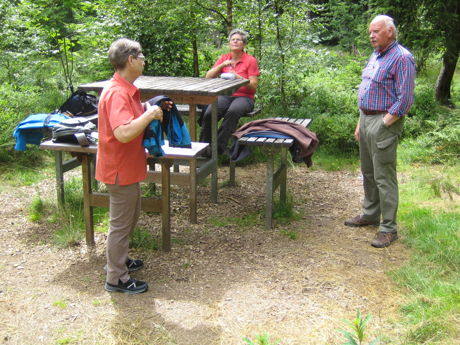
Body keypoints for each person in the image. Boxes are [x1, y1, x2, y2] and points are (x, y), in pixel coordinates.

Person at [96, 38, 170, 293]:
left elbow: (132, 114)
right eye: (141, 57)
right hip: (119, 168)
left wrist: (151, 105)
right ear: (131, 60)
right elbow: (123, 133)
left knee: (129, 217)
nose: (144, 61)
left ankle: (119, 260)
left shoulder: (125, 88)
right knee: (120, 224)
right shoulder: (117, 93)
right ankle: (116, 278)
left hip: (126, 166)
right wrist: (149, 114)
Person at [344, 15, 415, 248]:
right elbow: (367, 90)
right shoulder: (376, 55)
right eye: (370, 32)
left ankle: (388, 228)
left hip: (384, 121)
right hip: (366, 119)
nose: (371, 36)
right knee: (368, 172)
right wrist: (360, 122)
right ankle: (370, 213)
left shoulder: (402, 58)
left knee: (384, 176)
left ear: (390, 32)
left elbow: (404, 100)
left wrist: (384, 123)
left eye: (376, 31)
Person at [199, 29, 260, 156]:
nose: (235, 41)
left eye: (239, 40)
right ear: (229, 43)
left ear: (244, 44)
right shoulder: (224, 58)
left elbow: (253, 86)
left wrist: (238, 77)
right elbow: (208, 77)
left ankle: (218, 148)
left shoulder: (250, 60)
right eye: (233, 39)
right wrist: (221, 66)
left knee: (233, 111)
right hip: (225, 95)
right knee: (210, 112)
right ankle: (203, 149)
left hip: (245, 97)